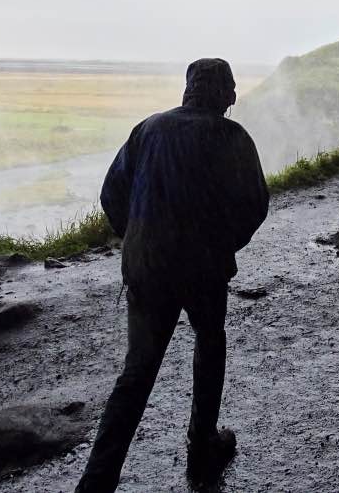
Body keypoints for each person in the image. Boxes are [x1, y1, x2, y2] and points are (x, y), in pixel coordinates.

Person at [75, 58, 270, 493]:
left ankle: (96, 481)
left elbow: (112, 194)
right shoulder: (233, 136)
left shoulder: (149, 128)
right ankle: (202, 446)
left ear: (187, 90)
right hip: (203, 266)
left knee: (137, 372)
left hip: (146, 267)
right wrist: (222, 244)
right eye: (232, 91)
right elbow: (255, 204)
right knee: (210, 339)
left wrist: (139, 238)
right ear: (228, 95)